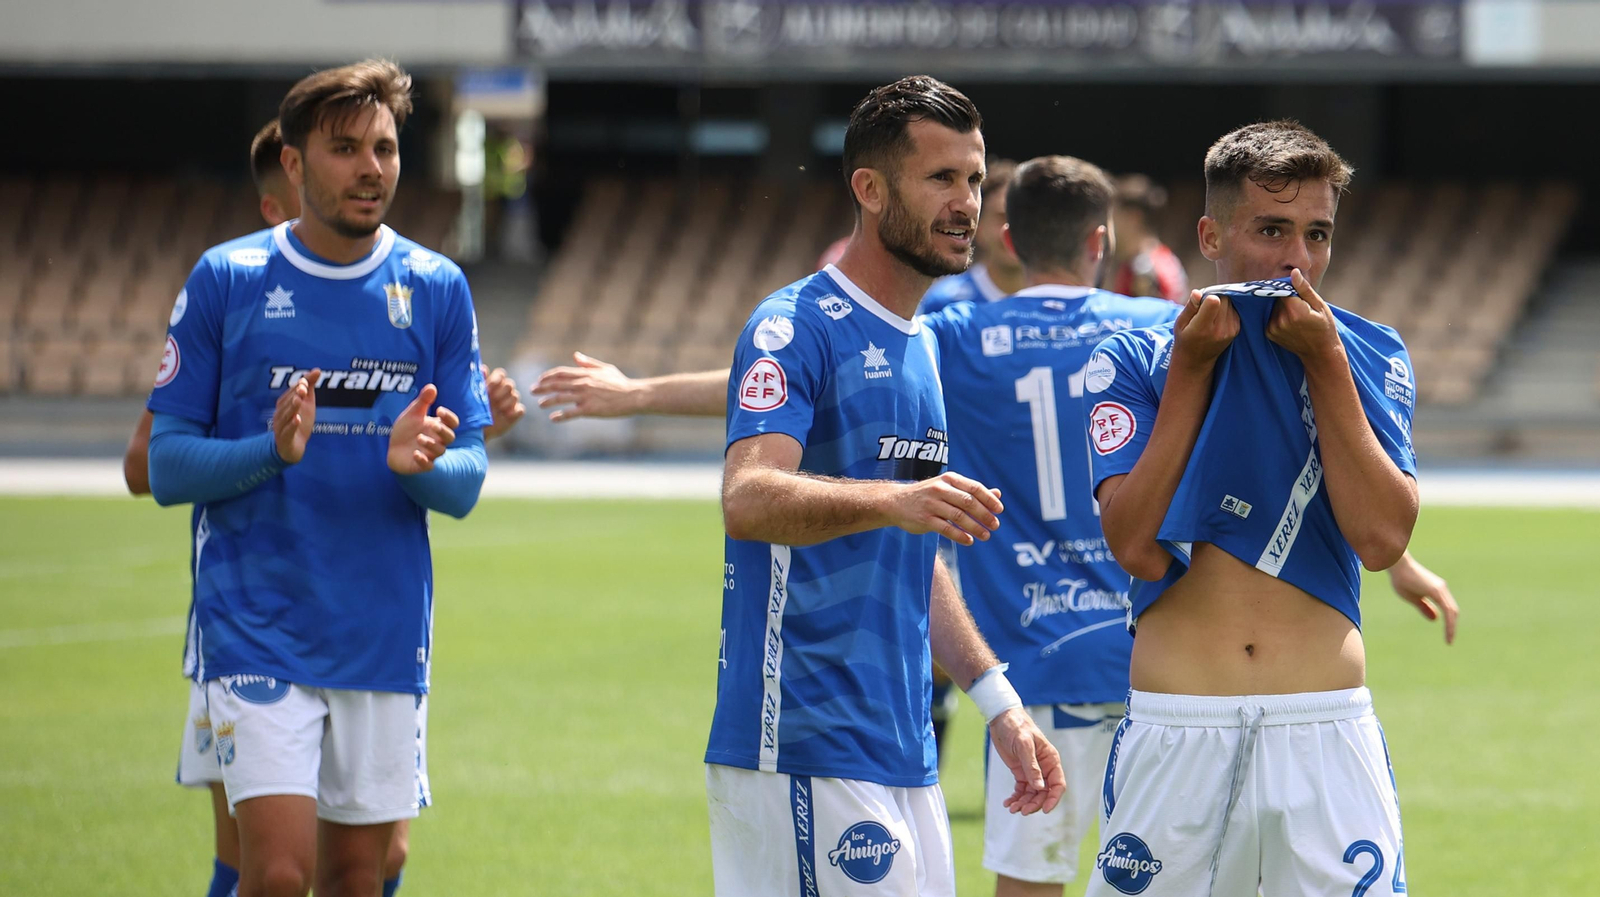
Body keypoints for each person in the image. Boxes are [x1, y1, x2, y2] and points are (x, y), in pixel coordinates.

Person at [121, 118, 525, 897]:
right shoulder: (229, 279)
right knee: (266, 868)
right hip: (251, 623)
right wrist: (268, 450)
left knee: (372, 866)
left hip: (377, 629)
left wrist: (428, 457)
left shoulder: (433, 286)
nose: (371, 169)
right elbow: (151, 463)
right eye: (346, 151)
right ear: (290, 181)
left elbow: (460, 472)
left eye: (385, 149)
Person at [709, 75, 1063, 897]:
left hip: (901, 743)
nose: (967, 202)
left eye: (975, 180)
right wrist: (895, 500)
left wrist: (997, 698)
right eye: (941, 178)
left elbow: (916, 553)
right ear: (869, 189)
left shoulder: (922, 347)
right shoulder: (793, 323)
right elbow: (748, 495)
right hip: (802, 737)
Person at [1083, 120, 1456, 897]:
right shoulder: (1133, 356)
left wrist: (1324, 362)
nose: (1298, 259)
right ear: (1211, 234)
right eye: (1272, 230)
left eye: (1318, 233)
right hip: (1178, 730)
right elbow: (1135, 545)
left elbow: (1383, 535)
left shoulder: (1368, 351)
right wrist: (1190, 369)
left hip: (1323, 730)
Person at [917, 156, 1179, 897]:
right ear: (1100, 240)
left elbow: (819, 374)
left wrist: (640, 391)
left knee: (1029, 884)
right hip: (1157, 662)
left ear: (1007, 236)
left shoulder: (954, 335)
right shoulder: (1163, 328)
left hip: (1030, 668)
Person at [919, 159, 1023, 314]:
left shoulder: (1063, 303)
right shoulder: (945, 303)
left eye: (1023, 217)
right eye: (1002, 217)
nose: (1012, 229)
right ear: (978, 226)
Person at [1107, 174, 1189, 303]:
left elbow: (1146, 321)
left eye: (1114, 216)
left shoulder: (1142, 270)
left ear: (1133, 217)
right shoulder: (1162, 258)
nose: (1109, 225)